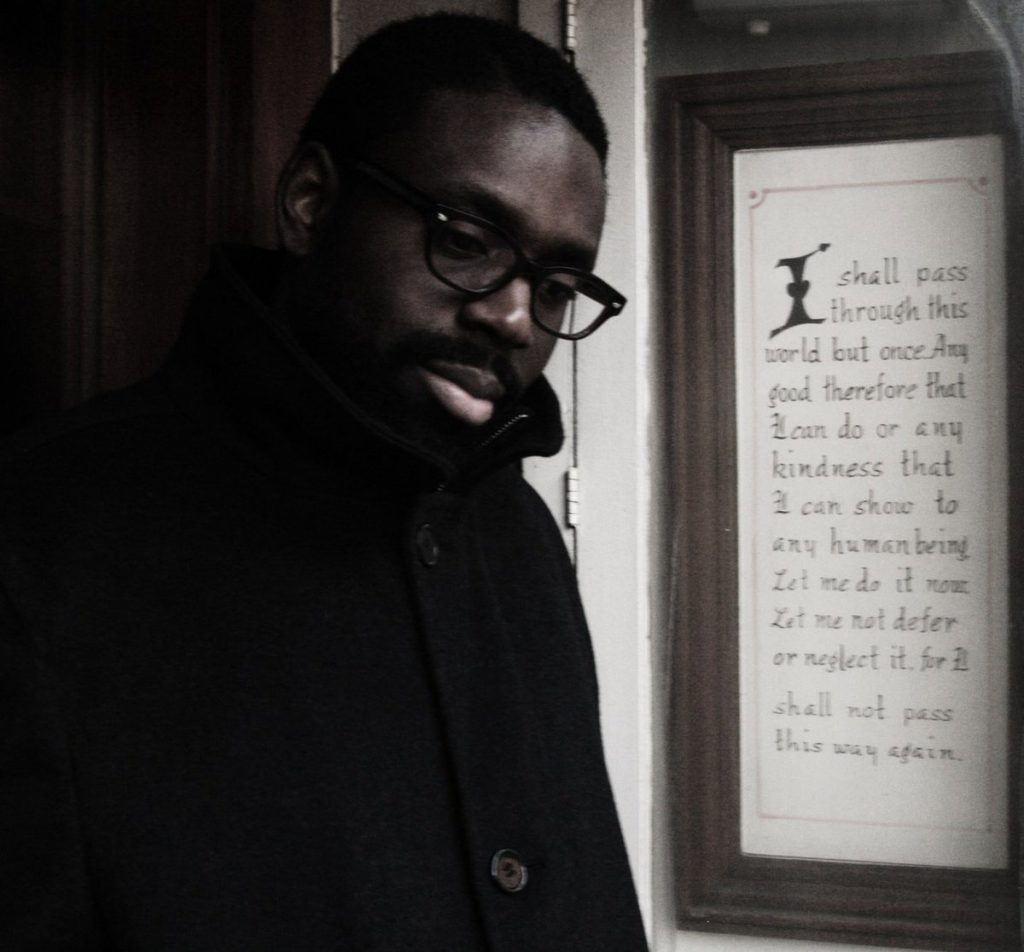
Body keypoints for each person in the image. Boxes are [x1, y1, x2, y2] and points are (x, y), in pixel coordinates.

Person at [0, 14, 646, 951]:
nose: (514, 316)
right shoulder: (42, 537)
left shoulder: (519, 537)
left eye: (556, 286)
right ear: (311, 201)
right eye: (467, 238)